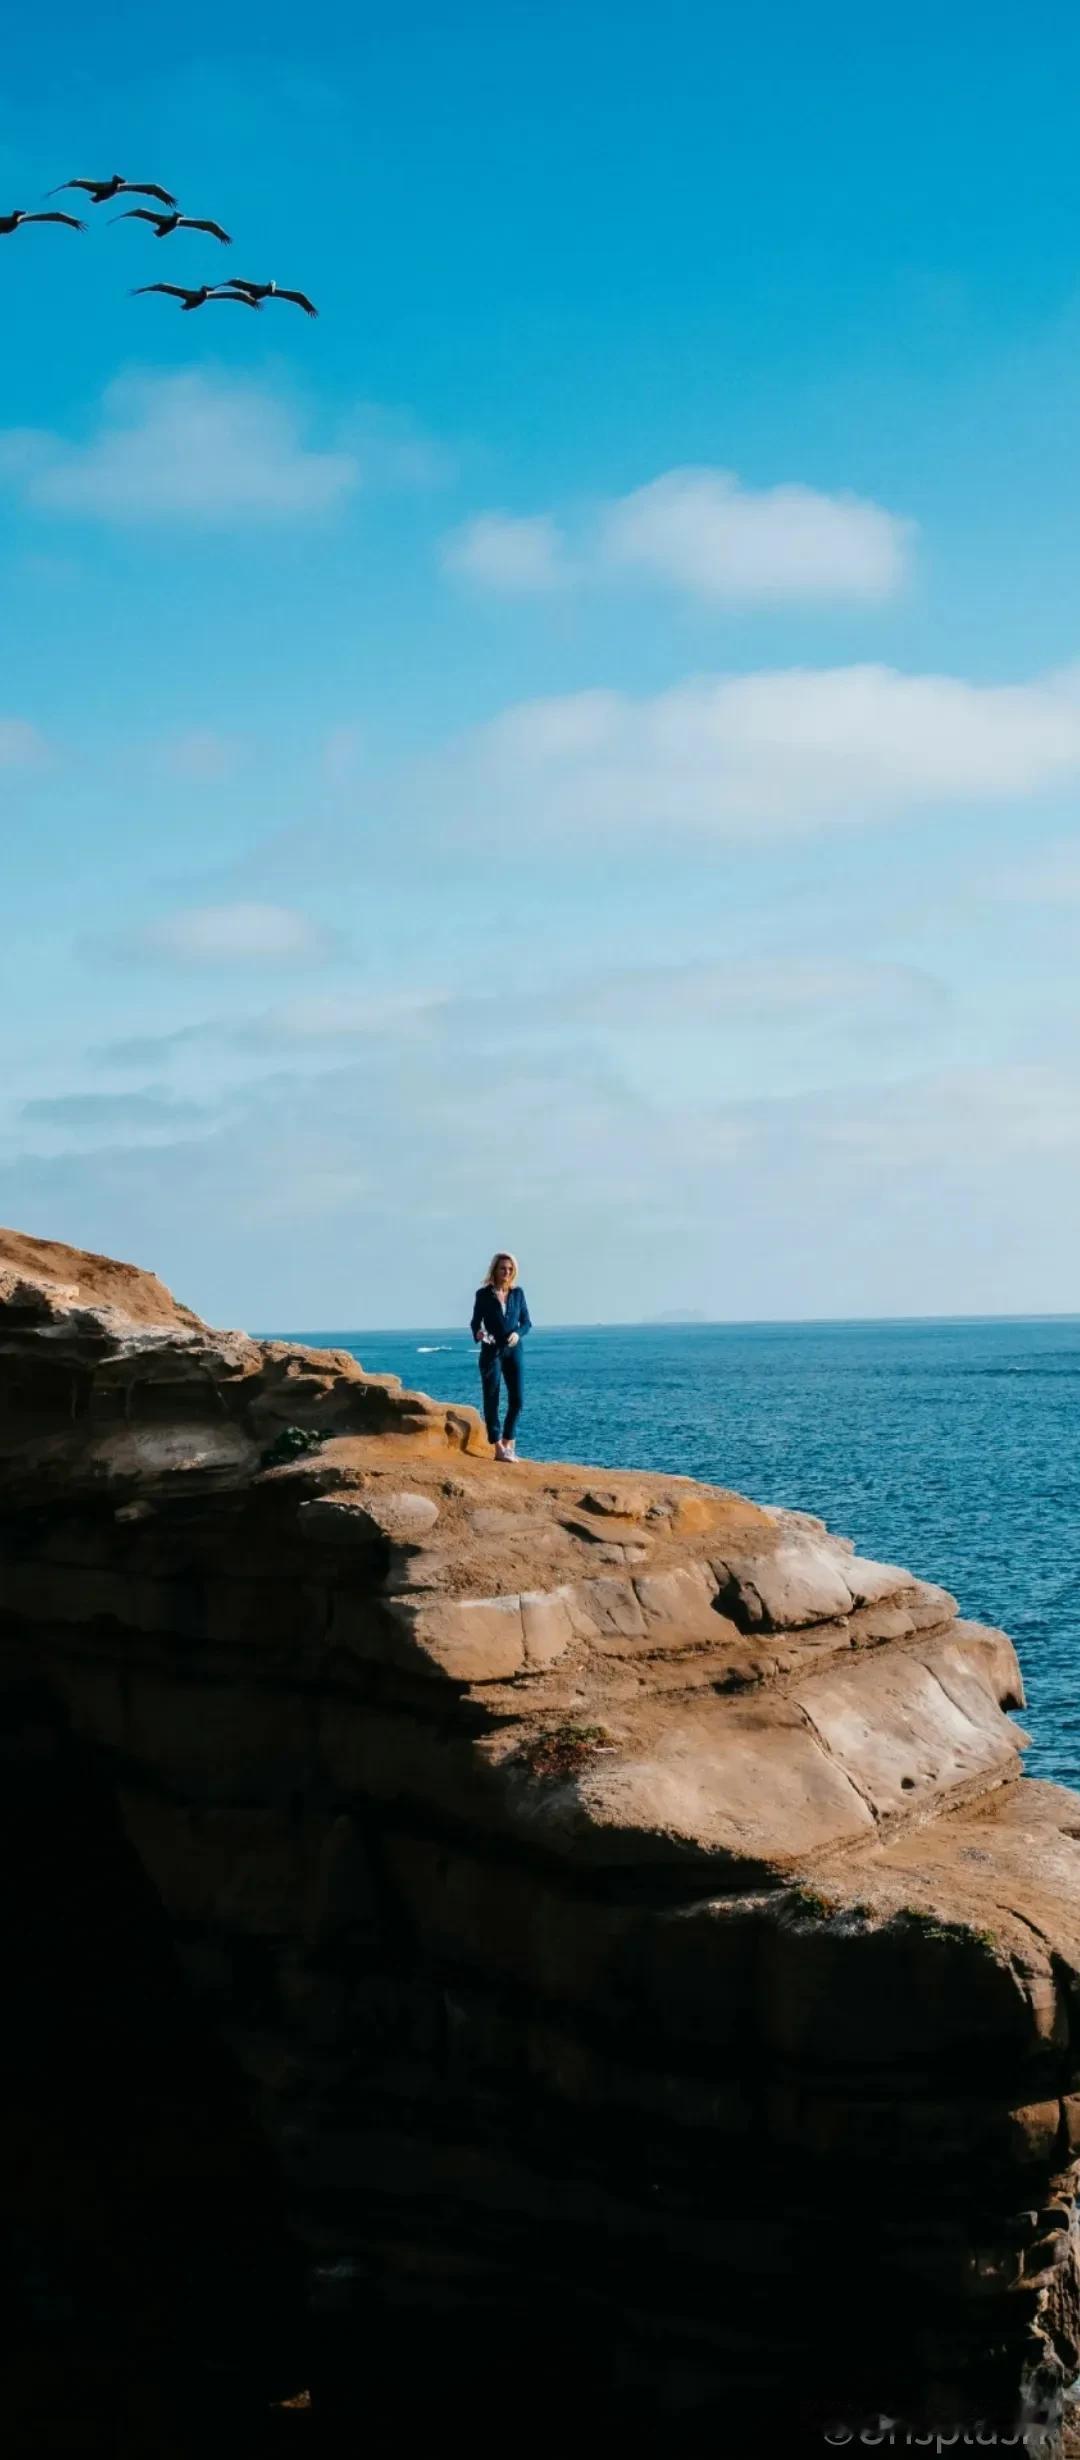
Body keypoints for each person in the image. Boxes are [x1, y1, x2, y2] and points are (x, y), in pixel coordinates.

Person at [470, 1251, 532, 1460]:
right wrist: (478, 1333)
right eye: (503, 1268)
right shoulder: (483, 1294)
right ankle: (497, 1448)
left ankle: (507, 1443)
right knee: (492, 1398)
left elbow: (526, 1322)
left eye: (510, 1269)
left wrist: (518, 1333)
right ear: (494, 1270)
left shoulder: (518, 1294)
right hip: (491, 1351)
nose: (506, 1272)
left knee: (518, 1399)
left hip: (514, 1350)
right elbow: (475, 1322)